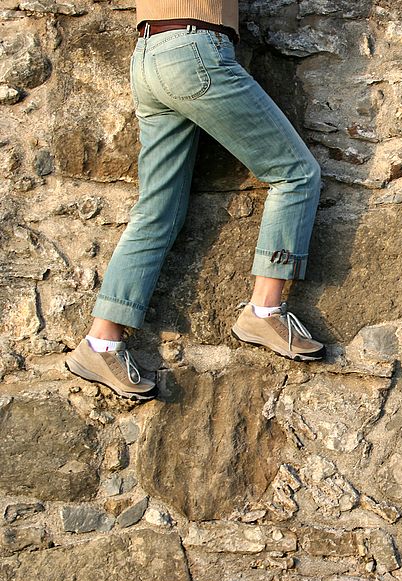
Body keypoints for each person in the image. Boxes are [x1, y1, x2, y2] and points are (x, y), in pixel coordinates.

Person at [64, 0, 325, 401]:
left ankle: (101, 343)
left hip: (148, 54)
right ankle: (265, 311)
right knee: (296, 174)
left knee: (157, 211)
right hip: (196, 50)